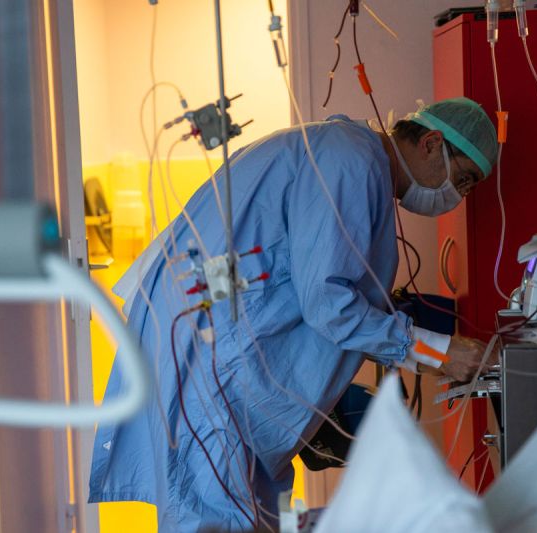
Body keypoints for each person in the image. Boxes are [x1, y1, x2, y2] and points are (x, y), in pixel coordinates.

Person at [89, 97, 498, 532]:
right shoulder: (349, 160)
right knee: (216, 517)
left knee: (254, 516)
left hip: (234, 373)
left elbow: (314, 282)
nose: (458, 198)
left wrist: (427, 347)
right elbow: (328, 305)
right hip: (219, 376)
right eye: (464, 181)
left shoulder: (354, 160)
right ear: (433, 143)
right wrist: (439, 353)